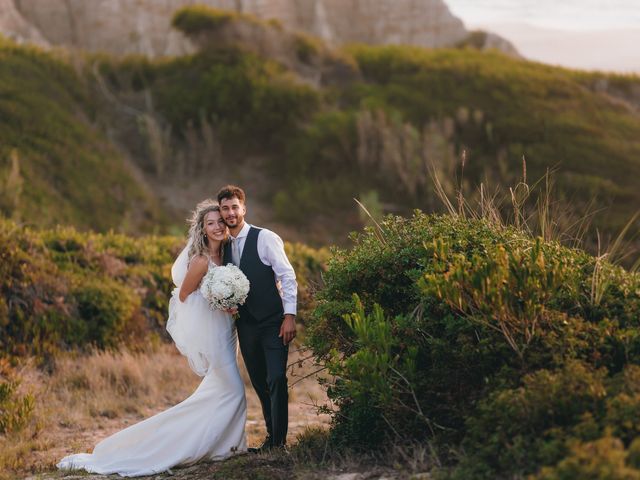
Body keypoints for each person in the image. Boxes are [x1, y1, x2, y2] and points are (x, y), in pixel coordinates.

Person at [57, 200, 247, 477]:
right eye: (211, 223)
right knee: (234, 391)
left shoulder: (227, 257)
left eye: (220, 221)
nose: (218, 226)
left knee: (218, 392)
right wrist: (217, 300)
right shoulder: (201, 261)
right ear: (203, 229)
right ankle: (189, 445)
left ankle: (225, 447)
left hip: (228, 331)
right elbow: (184, 297)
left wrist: (231, 301)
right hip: (214, 335)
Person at [217, 185, 297, 451]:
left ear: (243, 209)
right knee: (260, 382)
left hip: (274, 322)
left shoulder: (265, 238)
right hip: (246, 326)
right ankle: (272, 439)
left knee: (276, 378)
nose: (230, 213)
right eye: (225, 208)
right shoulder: (224, 247)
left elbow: (287, 276)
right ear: (221, 212)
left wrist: (290, 316)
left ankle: (280, 443)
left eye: (234, 207)